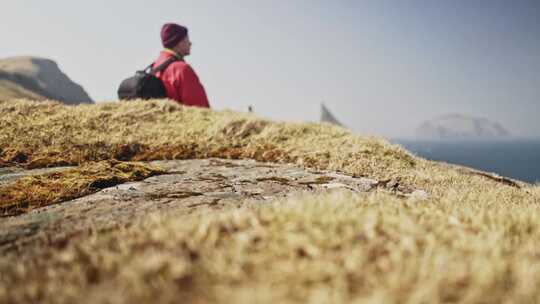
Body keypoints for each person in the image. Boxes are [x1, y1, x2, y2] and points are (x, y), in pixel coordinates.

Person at [153, 23, 210, 108]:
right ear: (179, 42)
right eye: (187, 39)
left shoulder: (155, 67)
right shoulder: (182, 69)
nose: (190, 43)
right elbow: (200, 109)